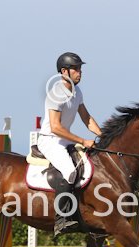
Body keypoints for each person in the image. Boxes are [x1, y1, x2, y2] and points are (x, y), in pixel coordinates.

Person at [38, 52, 102, 235]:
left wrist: (103, 136)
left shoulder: (77, 92)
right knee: (70, 171)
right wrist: (83, 140)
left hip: (64, 139)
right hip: (50, 140)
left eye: (80, 69)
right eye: (76, 69)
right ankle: (61, 219)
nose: (80, 72)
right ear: (64, 71)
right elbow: (56, 127)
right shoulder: (55, 94)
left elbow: (86, 118)